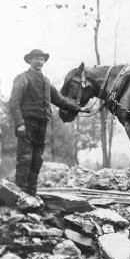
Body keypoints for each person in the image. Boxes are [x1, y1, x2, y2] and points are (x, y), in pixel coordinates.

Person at [9, 49, 88, 195]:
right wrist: (20, 123)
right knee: (25, 158)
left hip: (42, 125)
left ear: (44, 62)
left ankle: (31, 193)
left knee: (37, 160)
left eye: (41, 59)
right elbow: (13, 102)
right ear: (30, 61)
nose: (39, 62)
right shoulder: (22, 78)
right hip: (26, 124)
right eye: (36, 59)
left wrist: (77, 108)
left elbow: (58, 99)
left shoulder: (46, 81)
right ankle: (19, 194)